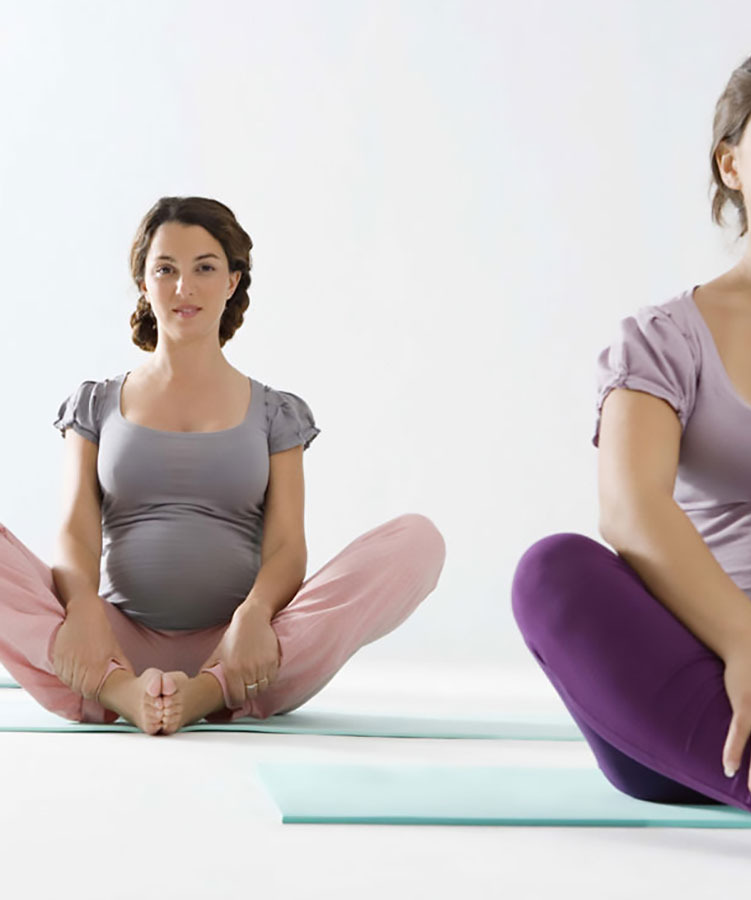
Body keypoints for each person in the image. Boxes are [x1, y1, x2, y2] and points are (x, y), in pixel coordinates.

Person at [511, 33, 751, 874]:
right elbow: (631, 511)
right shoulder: (663, 338)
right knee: (552, 571)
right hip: (708, 719)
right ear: (732, 162)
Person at [0, 196, 446, 736]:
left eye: (204, 268)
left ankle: (205, 694)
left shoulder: (276, 413)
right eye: (165, 269)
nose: (184, 288)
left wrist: (255, 617)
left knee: (418, 540)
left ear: (232, 281)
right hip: (108, 647)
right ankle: (121, 693)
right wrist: (85, 613)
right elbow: (75, 531)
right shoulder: (95, 405)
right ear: (143, 283)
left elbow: (286, 547)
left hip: (245, 654)